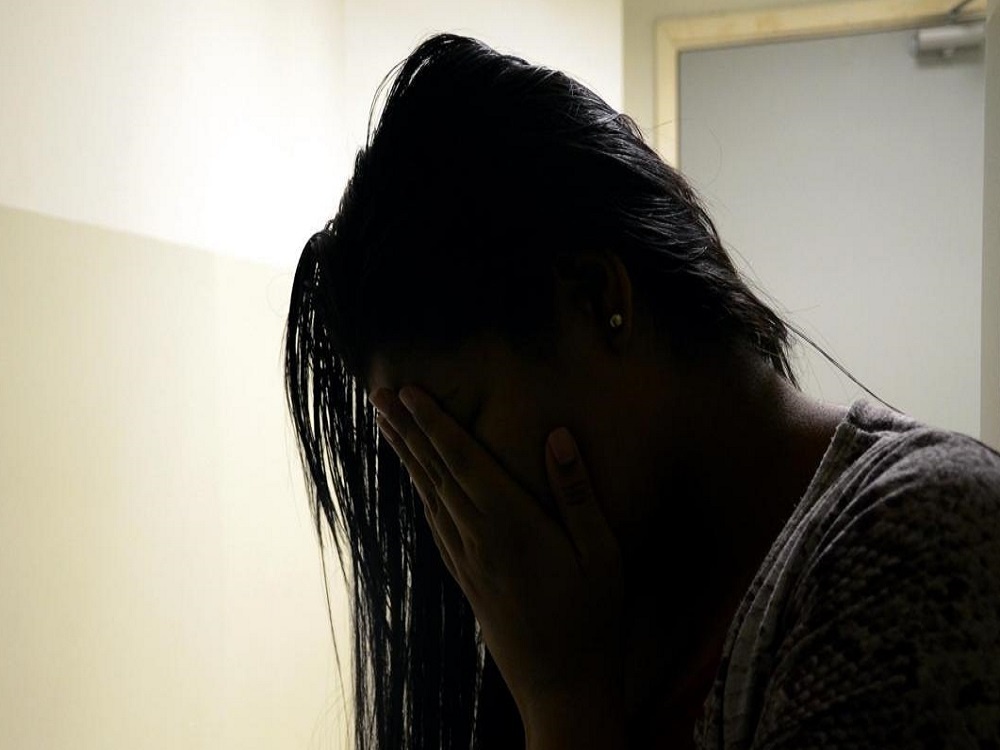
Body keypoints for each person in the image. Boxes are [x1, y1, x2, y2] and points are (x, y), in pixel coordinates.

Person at [284, 33, 1000, 750]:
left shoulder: (918, 540)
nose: (454, 504)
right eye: (417, 457)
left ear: (600, 300)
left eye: (459, 429)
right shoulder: (604, 613)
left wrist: (562, 704)